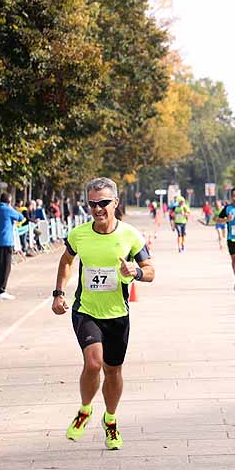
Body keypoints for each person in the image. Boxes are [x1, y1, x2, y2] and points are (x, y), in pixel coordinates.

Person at [54, 177, 154, 451]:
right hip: (86, 310)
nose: (98, 209)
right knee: (94, 363)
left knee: (113, 370)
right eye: (92, 204)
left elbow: (150, 271)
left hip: (117, 314)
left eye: (103, 203)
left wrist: (135, 272)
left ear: (115, 203)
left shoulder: (130, 235)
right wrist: (59, 293)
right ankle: (85, 410)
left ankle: (110, 420)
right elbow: (66, 261)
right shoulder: (79, 234)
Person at [0, 194, 25, 300]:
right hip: (6, 242)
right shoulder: (8, 210)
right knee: (5, 267)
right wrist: (11, 208)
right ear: (9, 201)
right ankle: (1, 290)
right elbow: (21, 217)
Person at [214, 189, 235, 292]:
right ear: (231, 197)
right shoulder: (228, 208)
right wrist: (226, 220)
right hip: (232, 238)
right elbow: (216, 219)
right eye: (234, 196)